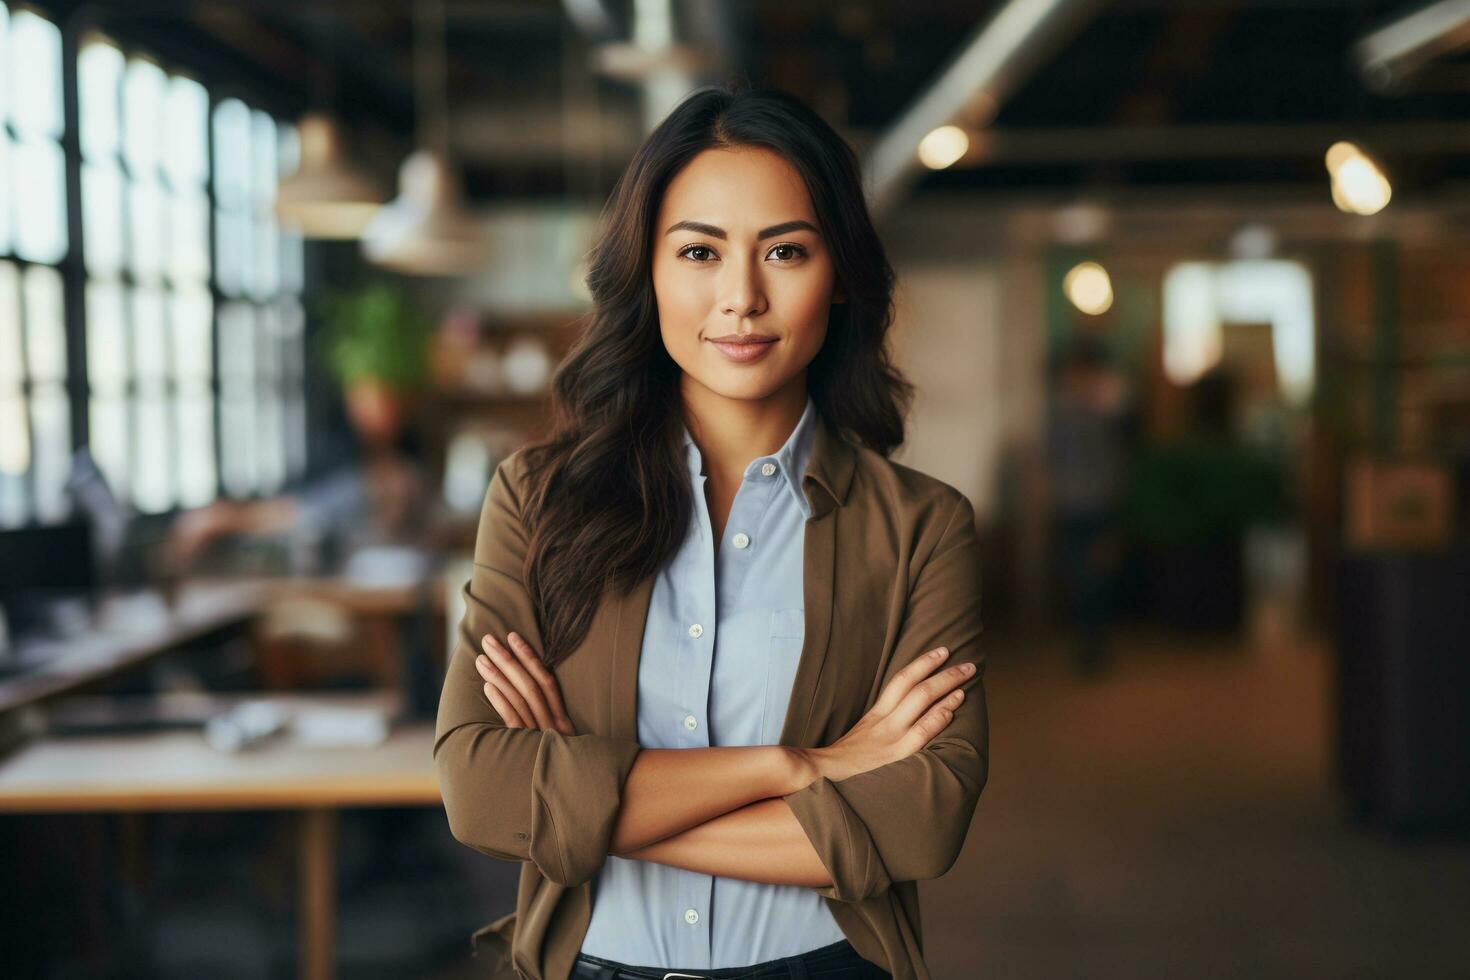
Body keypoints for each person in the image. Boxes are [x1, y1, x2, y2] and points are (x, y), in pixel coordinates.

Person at [435, 82, 987, 980]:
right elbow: (482, 792)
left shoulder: (922, 527)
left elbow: (923, 821)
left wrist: (584, 814)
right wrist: (801, 767)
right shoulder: (537, 500)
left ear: (840, 273)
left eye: (786, 251)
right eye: (699, 250)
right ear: (647, 269)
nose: (741, 298)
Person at [1043, 335, 1133, 676]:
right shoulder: (1060, 414)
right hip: (1070, 506)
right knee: (1078, 578)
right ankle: (1087, 644)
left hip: (1099, 506)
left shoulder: (1108, 411)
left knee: (1097, 578)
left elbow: (1117, 462)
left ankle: (1095, 645)